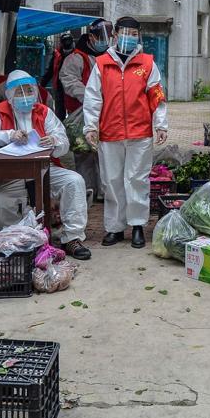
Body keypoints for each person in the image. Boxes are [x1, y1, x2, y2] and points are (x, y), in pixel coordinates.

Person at [0, 70, 91, 260]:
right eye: (19, 92)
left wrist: (54, 141)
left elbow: (63, 142)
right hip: (11, 173)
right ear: (9, 95)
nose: (25, 96)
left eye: (29, 91)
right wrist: (8, 135)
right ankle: (17, 240)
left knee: (74, 181)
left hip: (45, 169)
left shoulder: (44, 112)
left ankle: (72, 238)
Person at [83, 16, 168, 248]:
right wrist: (90, 126)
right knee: (111, 181)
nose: (128, 37)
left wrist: (160, 125)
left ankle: (138, 225)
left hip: (140, 133)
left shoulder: (148, 64)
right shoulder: (101, 64)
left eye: (133, 34)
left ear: (138, 36)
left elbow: (157, 97)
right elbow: (92, 99)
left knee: (137, 180)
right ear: (115, 35)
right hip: (110, 132)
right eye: (124, 33)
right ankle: (115, 228)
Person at [60, 20, 112, 198]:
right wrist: (92, 97)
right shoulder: (76, 58)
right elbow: (69, 82)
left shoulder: (109, 57)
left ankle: (104, 193)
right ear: (91, 37)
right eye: (100, 37)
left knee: (105, 154)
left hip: (106, 113)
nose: (104, 41)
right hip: (80, 113)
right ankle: (87, 192)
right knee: (84, 154)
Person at [42, 33, 76, 118]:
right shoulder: (57, 54)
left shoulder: (77, 55)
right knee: (59, 112)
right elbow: (50, 70)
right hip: (59, 87)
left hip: (73, 87)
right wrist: (42, 85)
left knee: (74, 111)